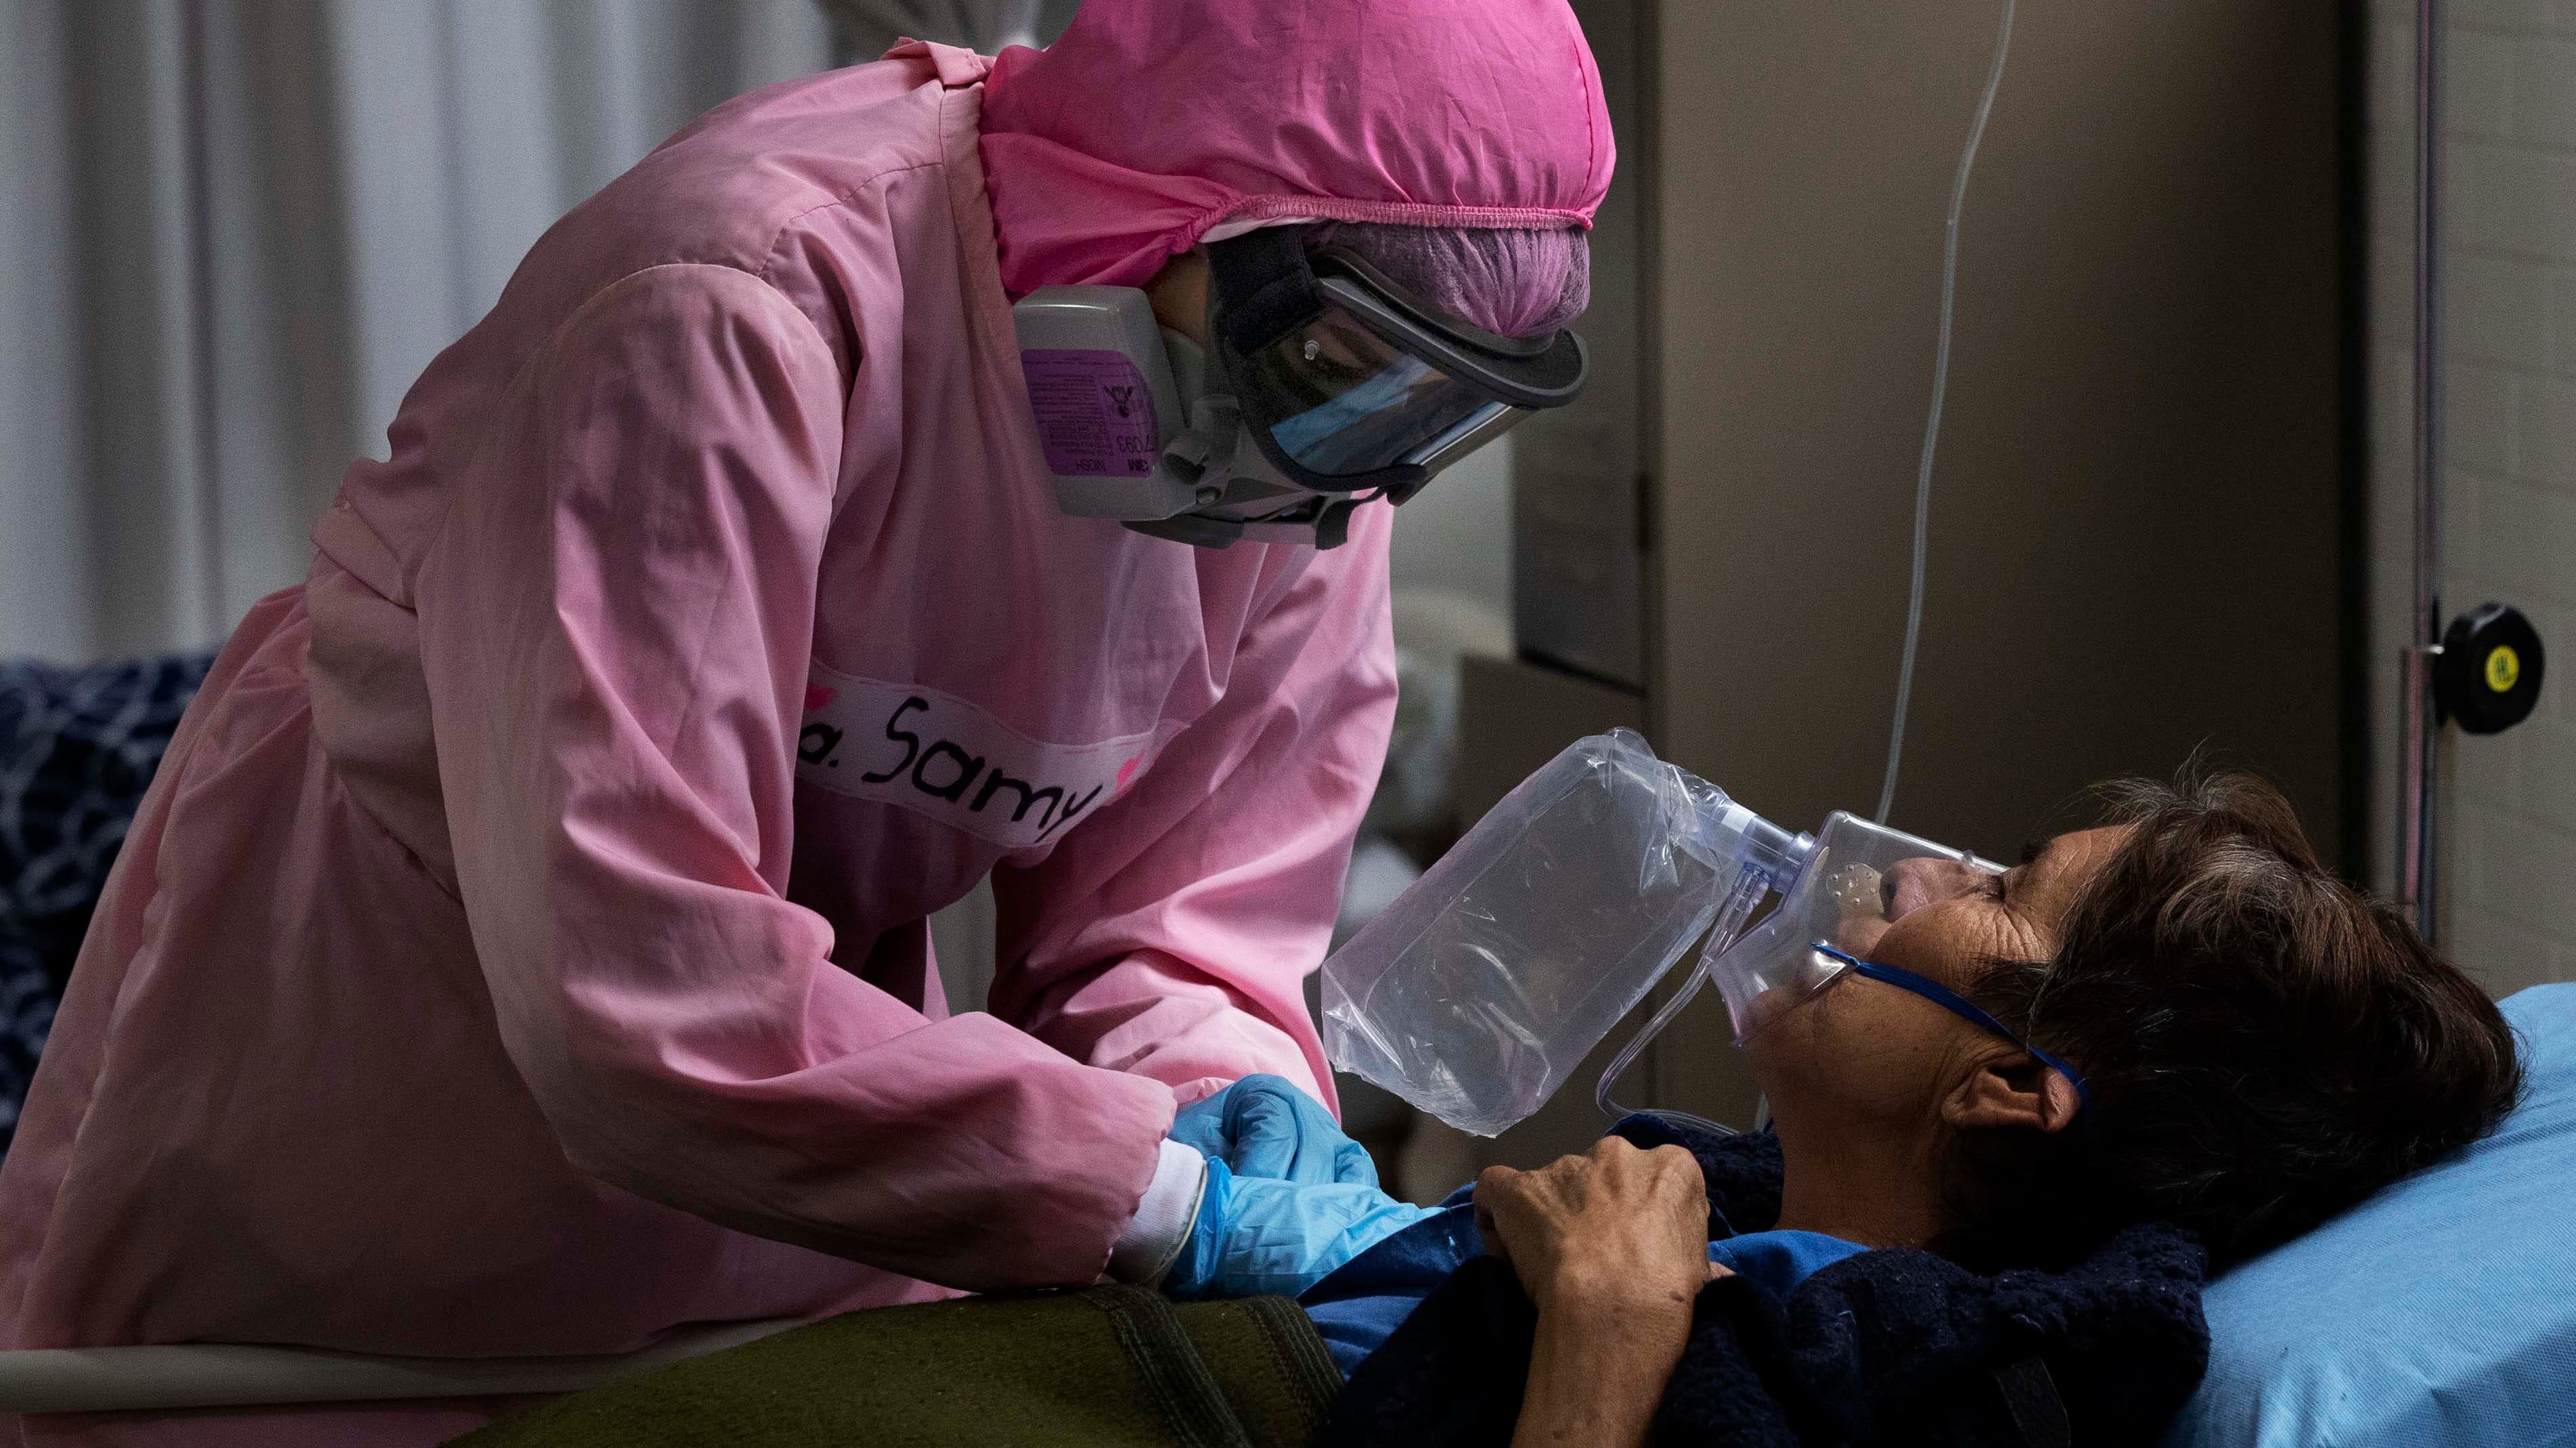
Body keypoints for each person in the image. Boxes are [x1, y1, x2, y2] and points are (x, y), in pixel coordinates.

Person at [0, 2, 1609, 1443]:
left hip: (792, 1202)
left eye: (1424, 404)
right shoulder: (733, 296)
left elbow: (1188, 910)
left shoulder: (1305, 452)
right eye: (1333, 360)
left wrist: (1207, 1090)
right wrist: (1155, 1197)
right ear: (1162, 221)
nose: (1348, 455)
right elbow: (636, 974)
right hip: (361, 1128)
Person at [1316, 772, 2525, 1446]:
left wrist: (1605, 1338)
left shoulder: (1917, 1409)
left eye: (1999, 888)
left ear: (2006, 1087)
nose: (1909, 870)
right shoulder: (1726, 1221)